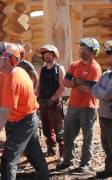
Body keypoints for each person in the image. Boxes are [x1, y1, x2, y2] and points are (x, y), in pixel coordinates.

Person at [0, 43, 49, 180]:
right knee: (33, 152)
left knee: (8, 159)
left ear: (8, 59)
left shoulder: (13, 80)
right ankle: (44, 177)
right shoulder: (16, 72)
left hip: (24, 121)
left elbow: (3, 116)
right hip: (26, 119)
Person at [57, 37, 102, 173]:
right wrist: (78, 82)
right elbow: (65, 83)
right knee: (68, 134)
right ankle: (67, 161)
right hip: (73, 105)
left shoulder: (95, 67)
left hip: (88, 106)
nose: (82, 50)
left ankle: (84, 164)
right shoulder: (75, 65)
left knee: (87, 137)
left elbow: (90, 90)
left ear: (94, 52)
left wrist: (74, 83)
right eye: (82, 48)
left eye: (86, 49)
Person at [37, 44, 65, 157]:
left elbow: (62, 87)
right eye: (45, 55)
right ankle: (51, 148)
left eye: (49, 54)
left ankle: (63, 152)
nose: (47, 57)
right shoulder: (42, 70)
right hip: (43, 103)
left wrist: (52, 99)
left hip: (55, 104)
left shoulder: (59, 69)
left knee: (59, 129)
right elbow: (38, 85)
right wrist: (38, 97)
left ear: (54, 55)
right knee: (46, 128)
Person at [92, 40, 112, 179]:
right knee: (106, 145)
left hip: (110, 115)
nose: (108, 57)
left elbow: (105, 94)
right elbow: (98, 91)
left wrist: (96, 88)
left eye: (110, 54)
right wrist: (98, 88)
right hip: (104, 114)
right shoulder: (107, 74)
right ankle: (109, 169)